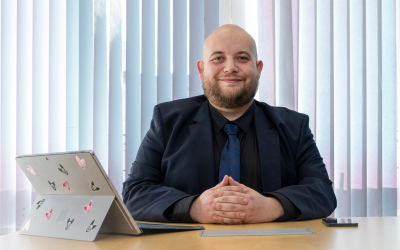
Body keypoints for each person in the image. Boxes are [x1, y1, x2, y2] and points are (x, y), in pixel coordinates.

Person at [122, 24, 336, 224]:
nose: (230, 68)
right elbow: (135, 193)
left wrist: (271, 206)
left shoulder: (294, 126)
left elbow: (323, 193)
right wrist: (193, 208)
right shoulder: (167, 120)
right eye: (218, 58)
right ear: (201, 69)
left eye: (242, 58)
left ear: (258, 68)